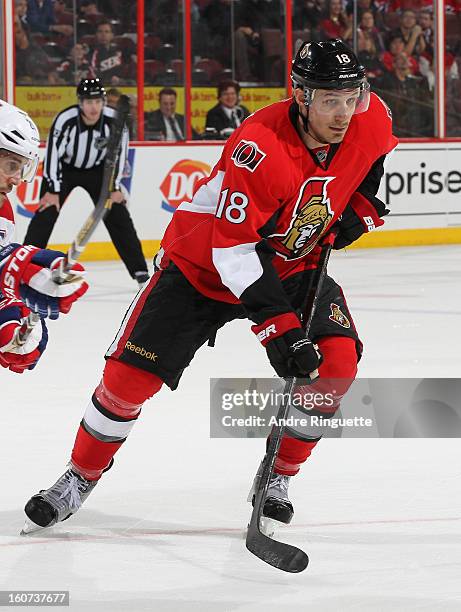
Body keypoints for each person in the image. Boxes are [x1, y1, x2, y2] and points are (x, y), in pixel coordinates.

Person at [21, 40, 397, 536]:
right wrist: (280, 329)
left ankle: (279, 474)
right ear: (300, 95)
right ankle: (79, 476)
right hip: (204, 267)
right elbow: (234, 251)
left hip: (292, 262)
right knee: (126, 384)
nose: (345, 112)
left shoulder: (370, 117)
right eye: (330, 100)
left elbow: (373, 162)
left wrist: (362, 209)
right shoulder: (259, 146)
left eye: (352, 97)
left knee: (336, 368)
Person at [23, 78, 149, 287]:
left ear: (103, 101)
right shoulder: (65, 120)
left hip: (99, 172)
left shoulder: (115, 122)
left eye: (98, 101)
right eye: (89, 102)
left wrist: (115, 186)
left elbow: (120, 154)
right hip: (65, 169)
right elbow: (53, 155)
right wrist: (53, 189)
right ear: (80, 103)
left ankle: (140, 272)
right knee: (46, 212)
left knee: (117, 213)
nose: (94, 107)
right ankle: (25, 266)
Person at [0, 100, 87, 374]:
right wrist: (10, 264)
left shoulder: (3, 210)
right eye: (12, 165)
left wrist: (10, 304)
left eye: (22, 168)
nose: (17, 179)